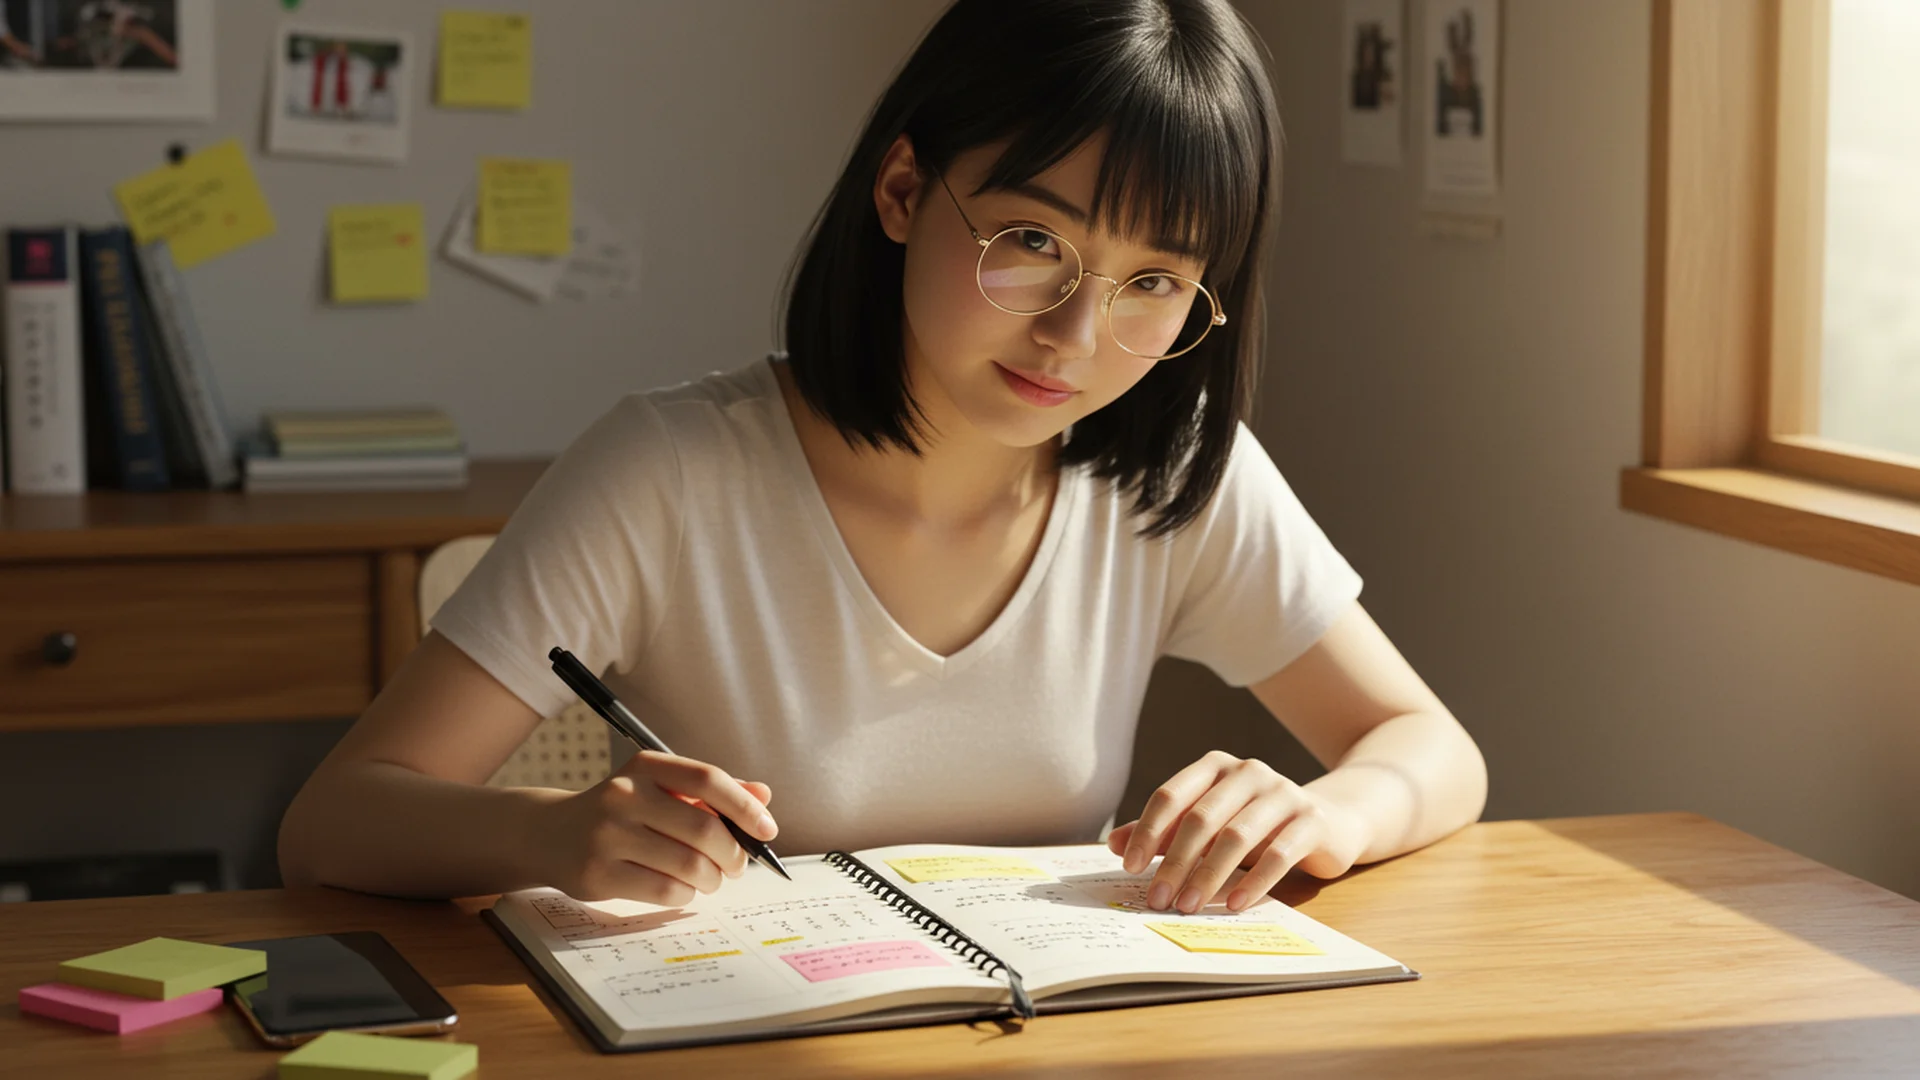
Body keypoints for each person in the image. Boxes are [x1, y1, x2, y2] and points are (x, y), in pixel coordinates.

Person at [279, 0, 1486, 918]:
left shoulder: (1170, 476)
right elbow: (333, 823)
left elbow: (1431, 750)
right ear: (904, 189)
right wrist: (547, 835)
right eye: (1030, 242)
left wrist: (1321, 810)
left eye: (1154, 285)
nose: (1075, 336)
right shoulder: (671, 475)